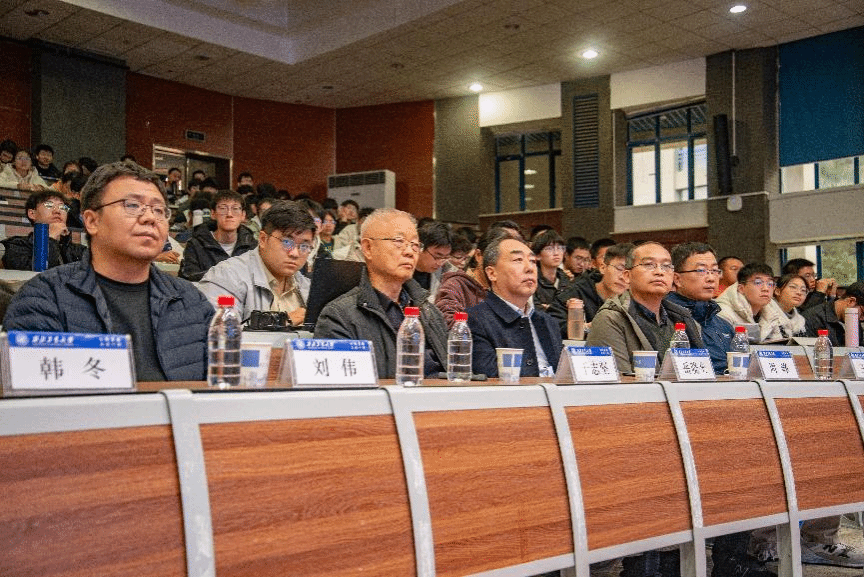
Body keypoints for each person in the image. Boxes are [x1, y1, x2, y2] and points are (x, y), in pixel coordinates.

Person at [3, 161, 214, 381]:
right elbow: (29, 392)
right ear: (92, 221)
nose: (150, 218)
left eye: (159, 210)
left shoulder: (191, 301)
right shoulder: (43, 298)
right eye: (132, 205)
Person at [314, 208, 447, 379]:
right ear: (368, 248)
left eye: (415, 245)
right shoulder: (339, 317)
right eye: (399, 241)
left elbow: (456, 373)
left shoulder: (430, 313)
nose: (409, 252)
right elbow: (343, 387)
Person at [586, 242, 702, 373]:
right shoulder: (610, 319)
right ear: (627, 276)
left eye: (666, 266)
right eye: (649, 265)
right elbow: (618, 380)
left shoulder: (682, 319)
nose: (659, 272)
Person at [199, 200, 315, 325]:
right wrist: (283, 321)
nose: (295, 253)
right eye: (287, 242)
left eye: (304, 246)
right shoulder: (226, 276)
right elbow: (219, 330)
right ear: (263, 239)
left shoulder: (307, 287)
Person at [466, 235, 562, 378]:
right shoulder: (475, 320)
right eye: (518, 260)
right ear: (492, 273)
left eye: (532, 261)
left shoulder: (548, 322)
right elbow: (490, 378)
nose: (530, 268)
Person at [665, 242, 733, 373]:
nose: (711, 278)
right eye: (701, 271)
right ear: (677, 279)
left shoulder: (724, 326)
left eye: (715, 271)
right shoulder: (663, 318)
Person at [547, 242, 631, 337]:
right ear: (603, 268)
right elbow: (550, 325)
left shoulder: (633, 302)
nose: (623, 277)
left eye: (630, 273)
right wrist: (585, 328)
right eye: (619, 269)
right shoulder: (575, 293)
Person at [435, 228, 506, 329]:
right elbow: (449, 324)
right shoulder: (455, 286)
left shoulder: (505, 288)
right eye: (498, 258)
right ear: (478, 255)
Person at [179, 190, 257, 281]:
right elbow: (188, 278)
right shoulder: (196, 244)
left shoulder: (252, 246)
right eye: (223, 208)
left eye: (235, 209)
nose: (229, 214)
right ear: (213, 214)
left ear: (243, 215)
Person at [1, 190, 85, 270]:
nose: (57, 211)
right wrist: (50, 238)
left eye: (62, 207)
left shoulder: (78, 250)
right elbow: (39, 274)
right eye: (49, 205)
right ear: (32, 214)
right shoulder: (17, 247)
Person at [714, 263, 790, 343]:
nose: (766, 288)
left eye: (770, 284)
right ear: (741, 288)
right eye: (758, 283)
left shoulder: (773, 313)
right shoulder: (722, 313)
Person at [802, 281, 864, 346]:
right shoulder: (812, 319)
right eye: (863, 313)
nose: (862, 319)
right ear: (851, 301)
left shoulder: (855, 322)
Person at [413, 220, 453, 303]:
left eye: (445, 257)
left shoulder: (447, 271)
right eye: (437, 257)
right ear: (420, 247)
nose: (440, 263)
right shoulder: (402, 270)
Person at [531, 229, 570, 310]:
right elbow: (535, 309)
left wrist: (549, 307)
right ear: (537, 255)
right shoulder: (531, 279)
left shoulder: (566, 279)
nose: (556, 253)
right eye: (549, 249)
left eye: (560, 248)